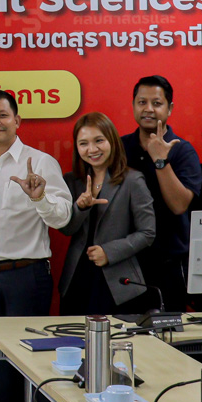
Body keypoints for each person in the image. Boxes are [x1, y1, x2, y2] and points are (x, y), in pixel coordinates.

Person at [0, 89, 72, 317]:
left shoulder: (41, 162)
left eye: (2, 115)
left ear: (17, 121)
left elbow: (62, 218)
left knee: (25, 340)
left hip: (25, 276)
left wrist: (39, 198)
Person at [58, 112, 157, 315]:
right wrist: (81, 208)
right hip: (77, 277)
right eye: (83, 143)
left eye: (99, 141)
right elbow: (66, 229)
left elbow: (147, 233)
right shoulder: (71, 181)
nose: (92, 149)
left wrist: (109, 252)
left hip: (116, 280)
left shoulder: (132, 180)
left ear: (111, 141)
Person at [119, 76, 201, 311]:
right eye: (142, 102)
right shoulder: (119, 147)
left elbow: (179, 205)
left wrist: (160, 161)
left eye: (156, 103)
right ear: (133, 105)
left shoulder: (182, 150)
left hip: (169, 262)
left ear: (169, 108)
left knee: (169, 329)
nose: (148, 109)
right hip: (127, 262)